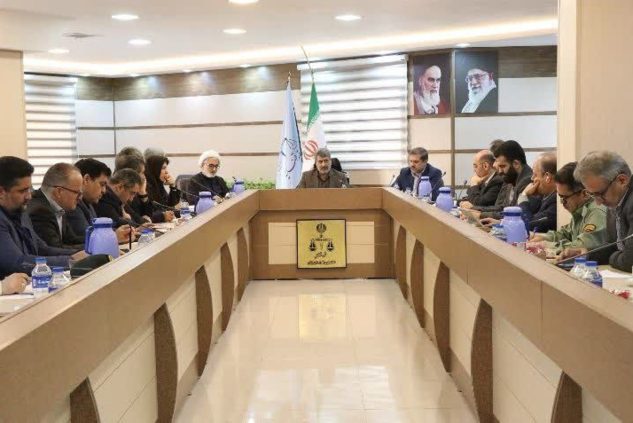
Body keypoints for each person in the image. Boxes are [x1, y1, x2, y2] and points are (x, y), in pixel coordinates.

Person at [0, 156, 85, 278]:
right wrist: (70, 261)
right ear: (1, 192)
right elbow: (17, 263)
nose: (29, 196)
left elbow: (41, 248)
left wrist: (77, 255)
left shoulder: (20, 212)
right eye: (22, 191)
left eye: (29, 189)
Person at [564, 151, 633, 271]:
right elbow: (614, 246)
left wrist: (614, 257)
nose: (598, 202)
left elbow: (629, 261)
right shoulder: (614, 202)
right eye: (592, 195)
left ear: (622, 180)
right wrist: (586, 254)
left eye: (600, 193)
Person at [527, 162, 607, 250]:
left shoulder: (597, 212)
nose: (562, 203)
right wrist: (541, 237)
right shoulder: (580, 210)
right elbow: (565, 234)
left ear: (584, 194)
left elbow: (582, 246)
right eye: (560, 197)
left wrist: (546, 245)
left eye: (565, 198)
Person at [481, 153, 557, 233]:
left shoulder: (555, 201)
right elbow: (529, 220)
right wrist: (502, 223)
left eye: (535, 175)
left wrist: (524, 195)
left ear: (547, 177)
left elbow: (528, 225)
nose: (532, 178)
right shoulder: (543, 195)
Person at [67, 159, 133, 243]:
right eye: (102, 184)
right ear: (86, 179)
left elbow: (98, 230)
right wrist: (113, 237)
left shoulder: (88, 202)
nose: (104, 191)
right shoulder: (72, 204)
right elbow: (87, 237)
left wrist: (122, 232)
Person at [26, 163, 84, 249]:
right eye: (77, 193)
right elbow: (54, 249)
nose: (80, 198)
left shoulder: (58, 207)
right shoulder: (39, 212)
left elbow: (71, 240)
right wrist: (91, 248)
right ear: (59, 192)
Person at [471, 140, 533, 220]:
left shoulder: (527, 181)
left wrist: (480, 214)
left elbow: (515, 215)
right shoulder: (511, 178)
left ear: (516, 164)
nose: (499, 171)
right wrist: (475, 210)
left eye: (502, 166)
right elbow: (503, 208)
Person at [114, 154, 152, 224]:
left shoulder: (137, 189)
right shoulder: (124, 193)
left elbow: (148, 216)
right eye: (142, 173)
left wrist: (143, 193)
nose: (144, 176)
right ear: (132, 173)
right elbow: (136, 219)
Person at [145, 155, 180, 222]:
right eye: (163, 168)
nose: (167, 172)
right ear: (155, 169)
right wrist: (169, 212)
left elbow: (170, 205)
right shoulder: (146, 187)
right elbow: (150, 213)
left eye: (166, 168)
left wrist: (173, 186)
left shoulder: (158, 184)